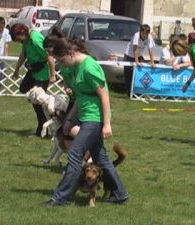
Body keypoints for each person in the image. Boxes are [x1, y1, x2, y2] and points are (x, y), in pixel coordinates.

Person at [43, 38, 129, 206]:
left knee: (75, 154)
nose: (61, 65)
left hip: (94, 118)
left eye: (61, 60)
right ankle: (120, 194)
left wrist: (106, 123)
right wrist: (70, 118)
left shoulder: (89, 67)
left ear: (70, 53)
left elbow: (104, 95)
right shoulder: (75, 67)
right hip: (85, 115)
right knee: (100, 158)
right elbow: (80, 97)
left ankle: (62, 198)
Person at [10, 23, 57, 137]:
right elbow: (23, 54)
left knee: (39, 104)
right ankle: (43, 125)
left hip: (42, 74)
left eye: (17, 39)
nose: (17, 41)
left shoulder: (35, 40)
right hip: (33, 71)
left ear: (22, 33)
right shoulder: (26, 41)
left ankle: (44, 128)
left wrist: (53, 75)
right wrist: (16, 70)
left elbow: (49, 56)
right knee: (24, 88)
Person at [124, 24, 156, 96]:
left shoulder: (149, 37)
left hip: (139, 55)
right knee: (128, 75)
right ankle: (129, 93)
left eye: (146, 34)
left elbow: (150, 50)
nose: (145, 35)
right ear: (140, 31)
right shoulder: (136, 35)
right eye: (143, 33)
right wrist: (137, 61)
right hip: (129, 55)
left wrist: (152, 62)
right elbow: (135, 49)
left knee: (142, 72)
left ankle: (140, 91)